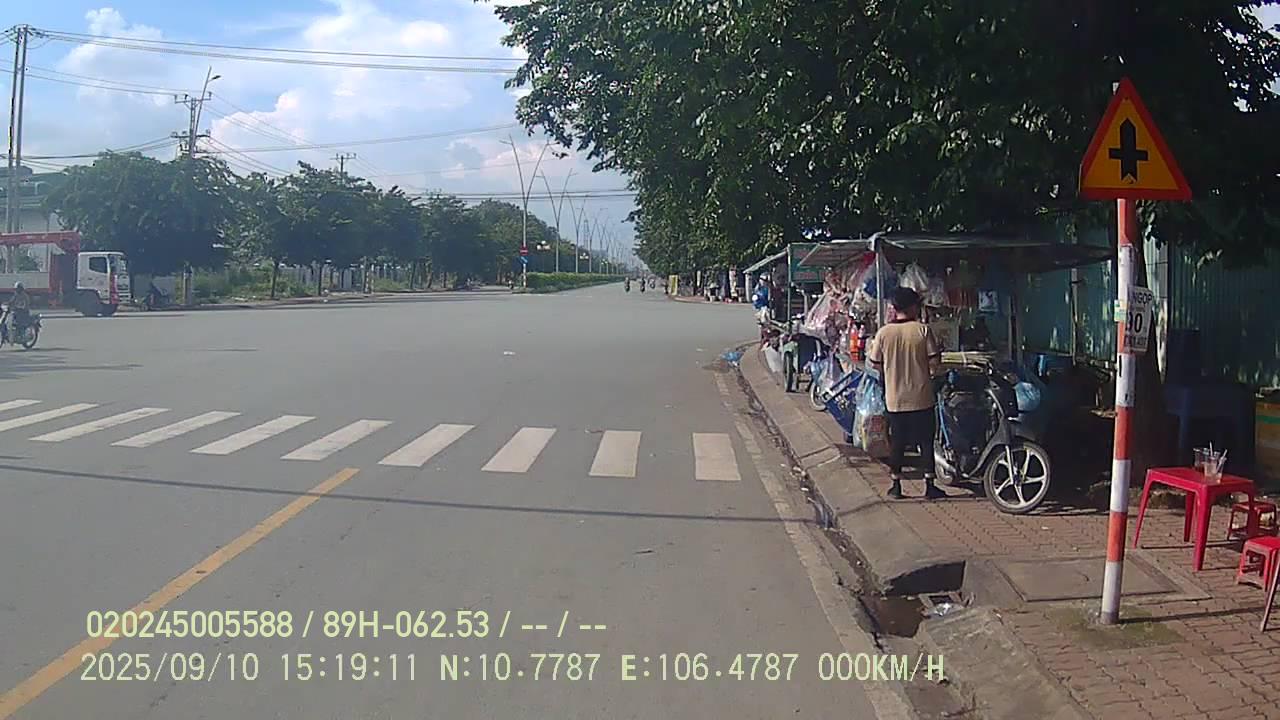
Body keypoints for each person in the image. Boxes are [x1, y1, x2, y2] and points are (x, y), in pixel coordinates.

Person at [868, 287, 944, 499]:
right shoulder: (923, 330)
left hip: (895, 399)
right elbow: (934, 362)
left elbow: (874, 363)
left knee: (898, 442)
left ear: (895, 308)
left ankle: (896, 486)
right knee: (926, 441)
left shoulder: (884, 333)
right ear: (913, 307)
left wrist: (890, 370)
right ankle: (929, 485)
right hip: (922, 397)